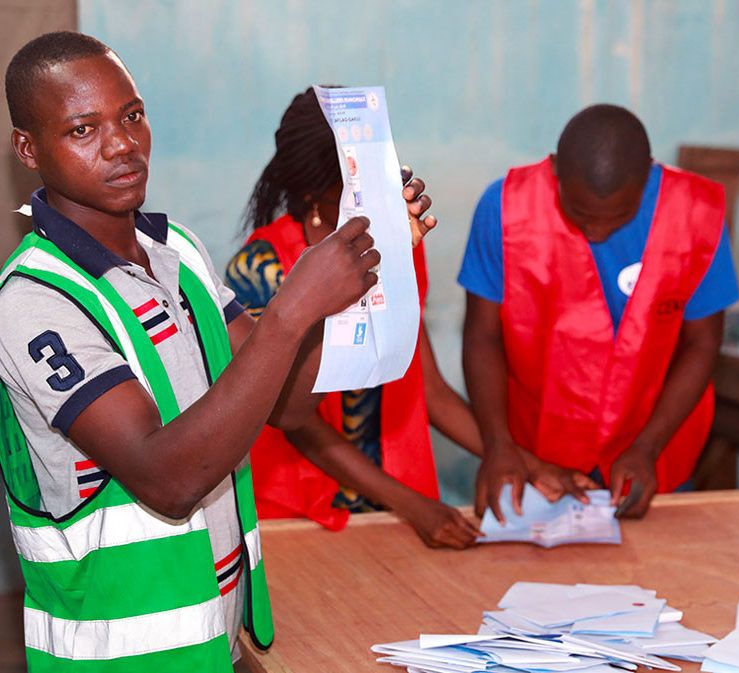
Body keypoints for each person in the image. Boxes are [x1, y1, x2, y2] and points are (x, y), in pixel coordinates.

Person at [0, 32, 435, 672]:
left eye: (133, 116)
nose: (122, 144)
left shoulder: (176, 248)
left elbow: (284, 404)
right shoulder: (32, 300)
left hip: (212, 641)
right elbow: (167, 479)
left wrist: (375, 267)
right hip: (124, 654)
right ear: (28, 149)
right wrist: (291, 309)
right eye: (83, 130)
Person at [226, 88, 489, 549]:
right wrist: (411, 504)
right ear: (312, 197)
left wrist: (514, 459)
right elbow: (298, 422)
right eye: (355, 189)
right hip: (298, 517)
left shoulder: (394, 247)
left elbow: (428, 387)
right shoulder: (260, 270)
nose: (376, 201)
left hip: (388, 507)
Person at [460, 104, 739, 523]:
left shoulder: (696, 213)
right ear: (555, 169)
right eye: (580, 213)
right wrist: (499, 444)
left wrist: (648, 445)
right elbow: (481, 336)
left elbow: (703, 342)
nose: (597, 232)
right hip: (533, 447)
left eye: (619, 217)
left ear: (649, 176)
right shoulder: (504, 207)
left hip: (652, 443)